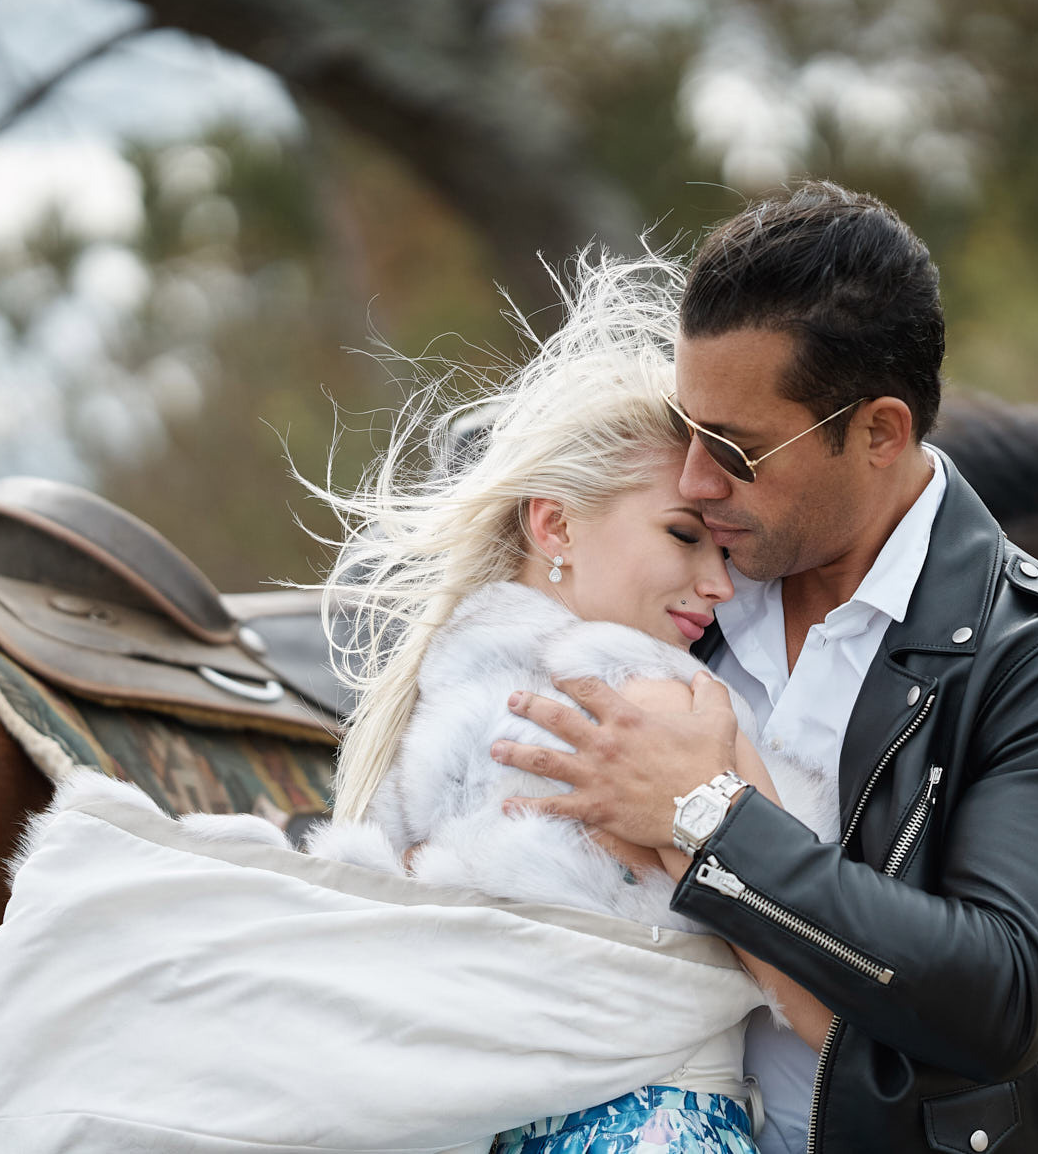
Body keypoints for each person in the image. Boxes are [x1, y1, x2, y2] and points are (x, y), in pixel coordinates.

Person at [496, 183, 1038, 1154]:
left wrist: (707, 817)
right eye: (690, 431)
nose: (694, 480)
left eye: (736, 449)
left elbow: (1003, 996)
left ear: (879, 431)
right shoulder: (680, 597)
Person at [304, 258, 842, 1152]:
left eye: (721, 548)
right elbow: (827, 1011)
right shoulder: (662, 706)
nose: (719, 583)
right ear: (553, 525)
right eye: (681, 536)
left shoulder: (429, 715)